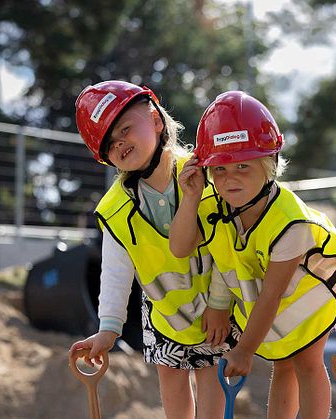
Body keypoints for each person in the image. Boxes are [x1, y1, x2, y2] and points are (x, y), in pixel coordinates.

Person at [169, 91, 336, 419]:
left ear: (268, 165)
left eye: (243, 165)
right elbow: (181, 247)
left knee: (306, 362)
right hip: (274, 295)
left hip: (313, 290)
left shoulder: (289, 221)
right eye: (220, 170)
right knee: (282, 363)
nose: (231, 179)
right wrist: (191, 197)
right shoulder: (215, 205)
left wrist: (244, 351)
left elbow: (271, 295)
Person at [68, 80, 238, 419]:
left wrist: (220, 303)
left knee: (211, 384)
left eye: (125, 129)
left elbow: (227, 245)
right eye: (110, 144)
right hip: (164, 313)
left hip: (215, 307)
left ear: (156, 121)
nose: (120, 144)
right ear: (105, 158)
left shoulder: (202, 175)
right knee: (172, 384)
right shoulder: (117, 208)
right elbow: (116, 271)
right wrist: (108, 328)